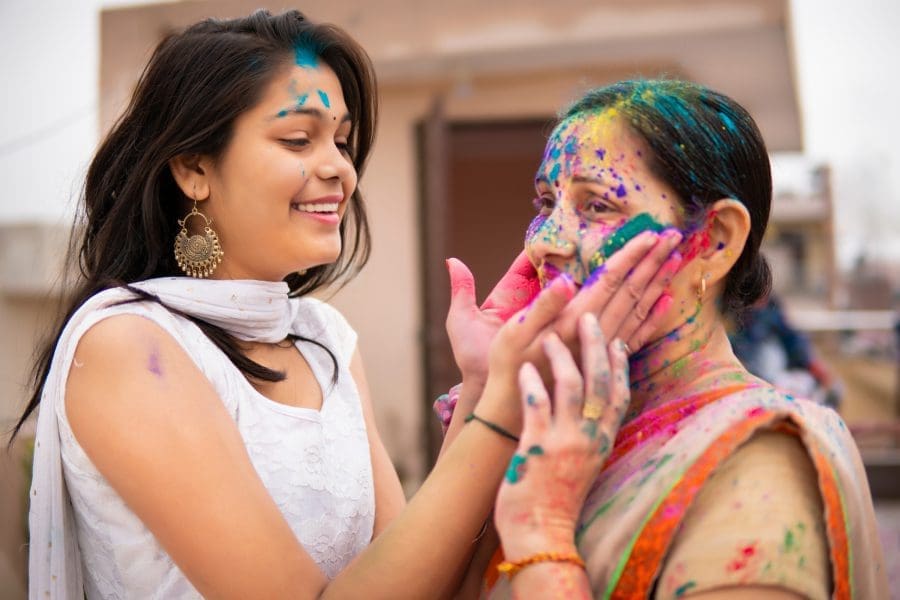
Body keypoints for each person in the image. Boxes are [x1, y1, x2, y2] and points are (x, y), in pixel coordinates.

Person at [11, 11, 682, 599]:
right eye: (299, 139)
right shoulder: (130, 346)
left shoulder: (324, 336)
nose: (340, 167)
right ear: (193, 169)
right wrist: (502, 413)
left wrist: (480, 387)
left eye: (341, 138)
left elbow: (420, 579)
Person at [461, 80, 887, 598]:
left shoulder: (759, 460)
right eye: (547, 202)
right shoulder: (560, 424)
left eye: (596, 205)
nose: (546, 241)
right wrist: (483, 394)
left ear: (715, 240)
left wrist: (542, 532)